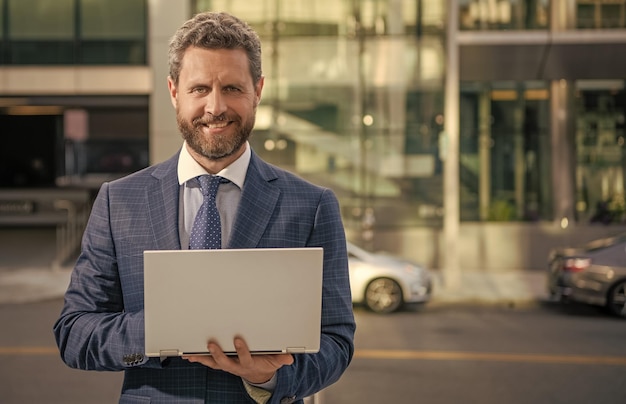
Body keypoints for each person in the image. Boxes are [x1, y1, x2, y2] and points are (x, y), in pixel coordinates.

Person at [53, 11, 355, 404]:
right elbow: (75, 334)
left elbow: (336, 341)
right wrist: (164, 327)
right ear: (174, 91)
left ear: (258, 90)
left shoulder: (312, 206)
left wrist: (270, 378)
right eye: (199, 89)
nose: (215, 107)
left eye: (232, 88)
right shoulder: (118, 202)